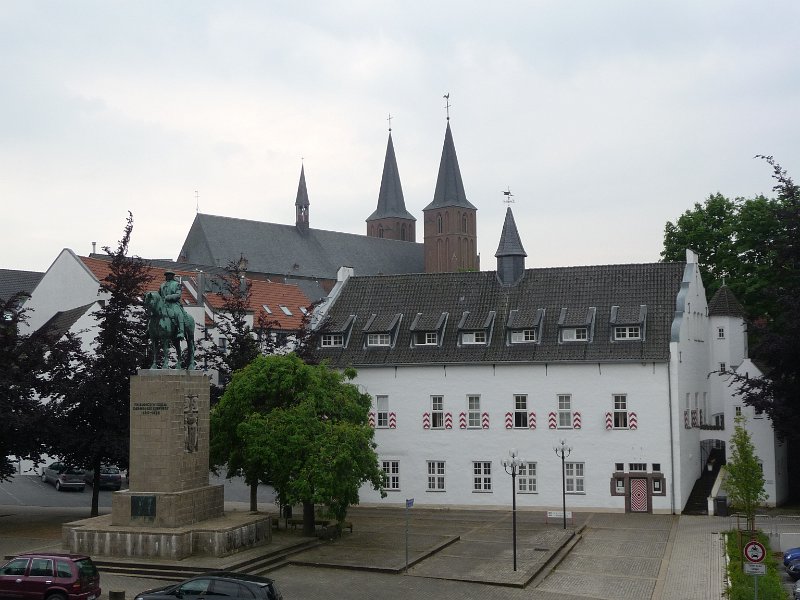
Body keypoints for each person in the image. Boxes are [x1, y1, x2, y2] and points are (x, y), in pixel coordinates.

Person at [159, 270, 186, 340]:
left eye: (169, 275)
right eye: (166, 275)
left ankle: (181, 332)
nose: (167, 276)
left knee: (178, 314)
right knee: (154, 313)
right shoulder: (162, 285)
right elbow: (159, 295)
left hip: (173, 304)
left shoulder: (176, 284)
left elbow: (178, 295)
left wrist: (168, 297)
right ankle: (150, 330)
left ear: (172, 276)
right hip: (164, 304)